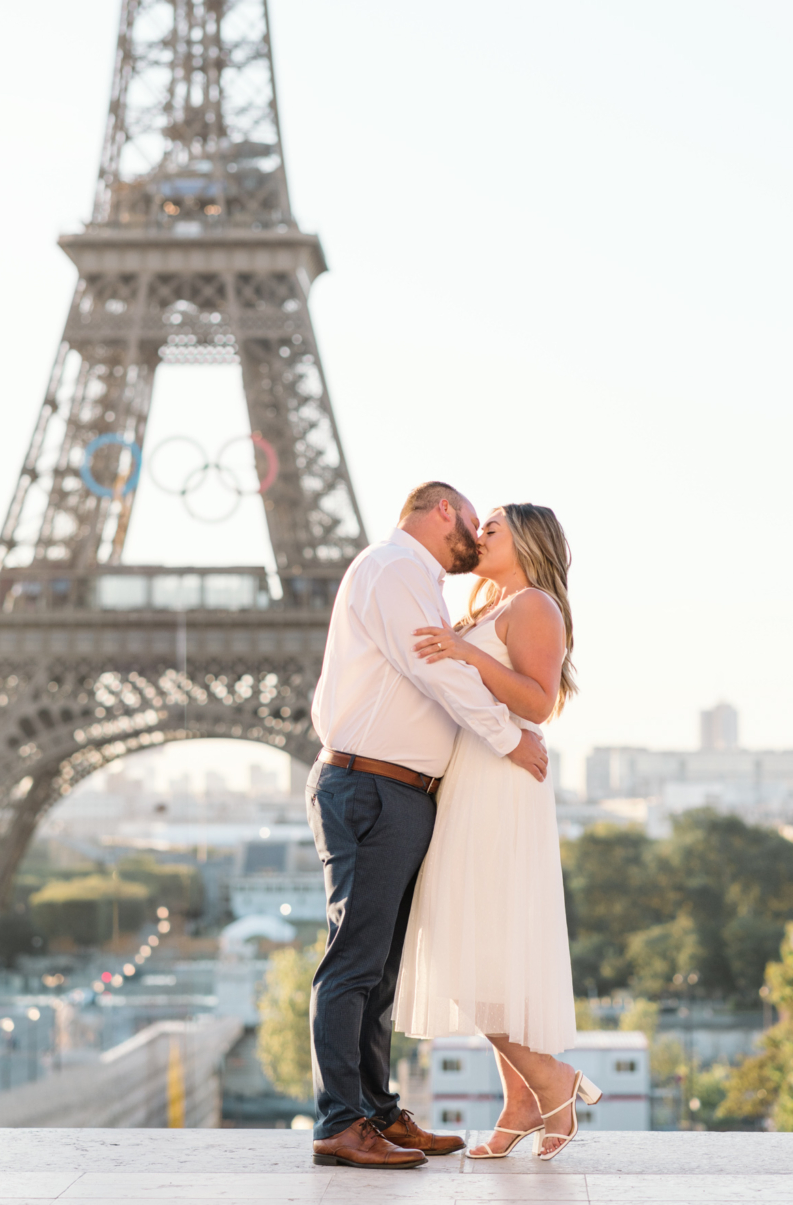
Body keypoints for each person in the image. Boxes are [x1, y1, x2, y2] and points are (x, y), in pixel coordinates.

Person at [305, 481, 550, 1170]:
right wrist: (507, 739)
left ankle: (375, 1114)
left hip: (397, 790)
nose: (475, 541)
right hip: (371, 784)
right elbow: (433, 673)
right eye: (473, 526)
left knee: (377, 967)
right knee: (354, 960)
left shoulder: (419, 581)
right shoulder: (391, 570)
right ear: (443, 510)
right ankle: (340, 1122)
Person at [393, 502, 599, 1161]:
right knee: (481, 945)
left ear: (527, 542)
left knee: (464, 945)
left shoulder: (533, 605)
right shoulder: (486, 608)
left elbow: (539, 701)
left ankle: (550, 1081)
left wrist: (459, 651)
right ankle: (522, 1101)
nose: (476, 535)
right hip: (472, 779)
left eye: (491, 529)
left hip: (501, 782)